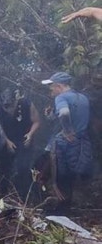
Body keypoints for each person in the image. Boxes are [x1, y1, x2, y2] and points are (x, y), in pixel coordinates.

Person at [41, 71, 92, 212]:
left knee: (60, 176)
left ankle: (60, 213)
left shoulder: (61, 98)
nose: (50, 89)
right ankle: (68, 208)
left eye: (52, 86)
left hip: (65, 144)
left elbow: (64, 113)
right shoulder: (83, 98)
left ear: (59, 86)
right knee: (71, 175)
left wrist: (68, 131)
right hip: (81, 143)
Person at [0, 86, 40, 197]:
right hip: (6, 139)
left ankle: (23, 196)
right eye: (6, 107)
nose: (8, 109)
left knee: (23, 167)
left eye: (11, 106)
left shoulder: (26, 104)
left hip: (24, 139)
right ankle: (3, 195)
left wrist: (30, 134)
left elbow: (37, 121)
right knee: (4, 168)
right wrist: (6, 140)